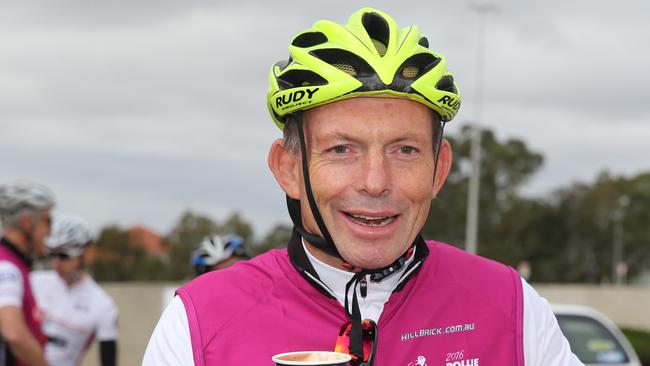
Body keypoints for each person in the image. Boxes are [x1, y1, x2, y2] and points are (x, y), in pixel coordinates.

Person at [143, 8, 582, 365]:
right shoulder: (199, 322)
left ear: (440, 168)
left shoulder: (511, 308)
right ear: (288, 168)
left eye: (405, 150)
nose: (375, 182)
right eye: (341, 150)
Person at [30, 215, 118, 366]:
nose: (56, 263)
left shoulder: (104, 305)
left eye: (64, 255)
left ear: (85, 254)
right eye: (53, 254)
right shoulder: (34, 281)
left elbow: (108, 361)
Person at [0, 181, 55, 366]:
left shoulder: (14, 263)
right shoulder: (7, 267)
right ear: (26, 221)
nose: (50, 231)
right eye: (47, 221)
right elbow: (14, 334)